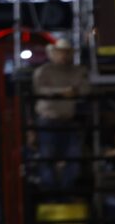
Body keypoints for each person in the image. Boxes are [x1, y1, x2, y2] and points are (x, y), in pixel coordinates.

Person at [32, 38, 89, 193]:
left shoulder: (77, 71)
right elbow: (40, 90)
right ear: (53, 54)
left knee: (72, 156)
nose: (63, 56)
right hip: (48, 119)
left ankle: (65, 190)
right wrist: (62, 91)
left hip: (67, 118)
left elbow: (86, 88)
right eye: (60, 52)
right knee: (48, 156)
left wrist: (73, 91)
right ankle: (51, 191)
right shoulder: (43, 71)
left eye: (66, 53)